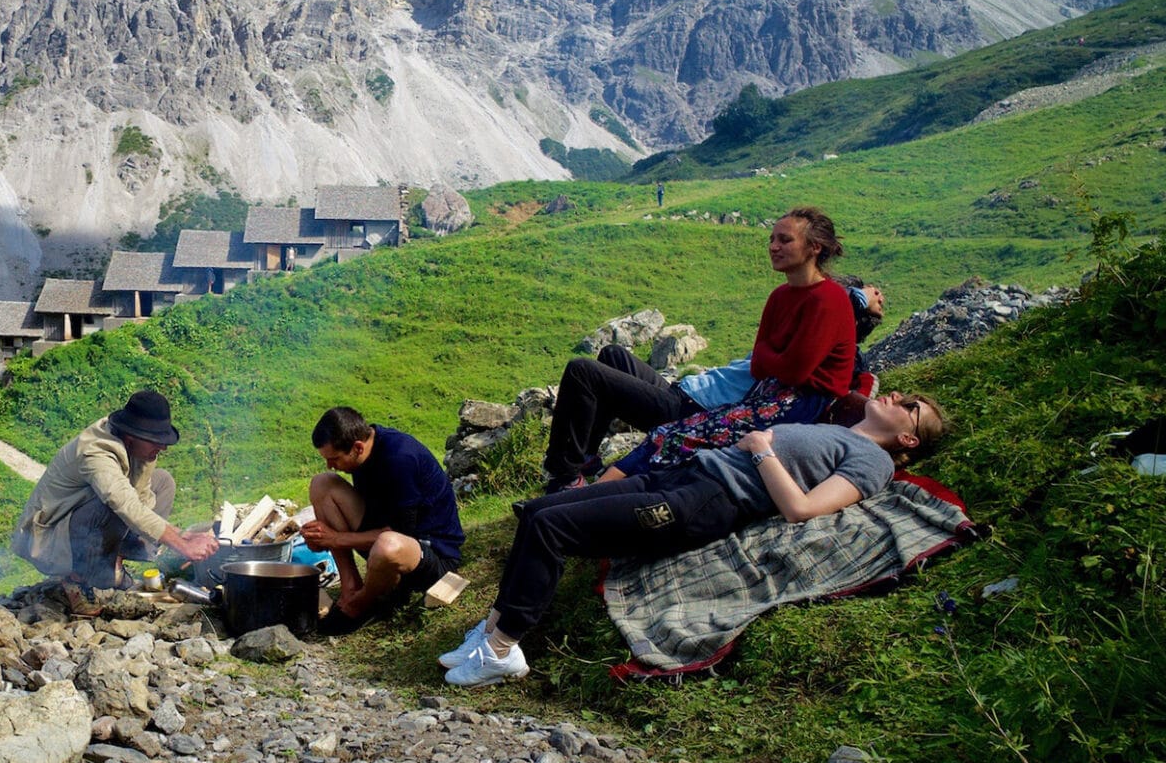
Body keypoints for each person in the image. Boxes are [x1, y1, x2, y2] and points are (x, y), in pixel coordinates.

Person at [443, 391, 948, 687]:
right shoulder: (844, 432)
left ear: (908, 439)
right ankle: (490, 631)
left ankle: (505, 650)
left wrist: (760, 451)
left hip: (705, 502)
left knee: (554, 529)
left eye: (910, 408)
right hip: (683, 478)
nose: (897, 398)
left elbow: (802, 509)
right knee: (537, 512)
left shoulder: (874, 462)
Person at [539, 207, 858, 492]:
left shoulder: (827, 298)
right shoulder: (781, 296)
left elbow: (793, 371)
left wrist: (774, 358)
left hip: (776, 405)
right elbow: (761, 364)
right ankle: (585, 462)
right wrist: (777, 358)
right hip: (714, 392)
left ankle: (564, 478)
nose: (773, 247)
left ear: (814, 247)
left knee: (583, 372)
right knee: (611, 355)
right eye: (772, 239)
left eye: (785, 240)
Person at [11, 389, 219, 612]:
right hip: (48, 538)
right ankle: (78, 578)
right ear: (131, 438)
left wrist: (182, 535)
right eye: (156, 441)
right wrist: (182, 546)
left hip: (86, 520)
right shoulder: (96, 452)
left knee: (163, 482)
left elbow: (143, 501)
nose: (163, 447)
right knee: (110, 506)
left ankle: (113, 561)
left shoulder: (140, 449)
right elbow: (123, 503)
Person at [302, 407, 465, 634]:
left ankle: (363, 603)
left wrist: (337, 539)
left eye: (335, 458)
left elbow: (401, 534)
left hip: (430, 554)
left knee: (387, 545)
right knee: (322, 483)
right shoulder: (365, 450)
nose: (331, 465)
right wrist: (322, 537)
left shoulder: (400, 458)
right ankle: (351, 588)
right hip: (386, 536)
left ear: (358, 447)